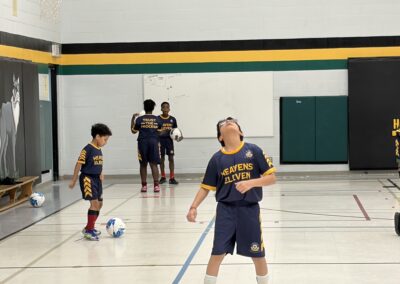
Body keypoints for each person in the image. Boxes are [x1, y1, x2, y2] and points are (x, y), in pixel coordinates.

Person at [186, 117, 276, 284]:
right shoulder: (216, 159)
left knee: (257, 254)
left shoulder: (253, 150)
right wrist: (193, 207)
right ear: (220, 137)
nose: (228, 122)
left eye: (232, 121)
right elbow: (206, 187)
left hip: (249, 210)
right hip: (225, 211)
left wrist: (251, 183)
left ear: (240, 132)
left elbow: (271, 178)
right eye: (223, 123)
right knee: (217, 253)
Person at [69, 123, 112, 241]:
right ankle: (89, 230)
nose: (106, 142)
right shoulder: (87, 149)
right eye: (105, 139)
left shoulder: (99, 149)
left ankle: (89, 227)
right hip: (88, 179)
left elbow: (98, 163)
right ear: (97, 136)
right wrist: (73, 180)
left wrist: (101, 172)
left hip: (97, 180)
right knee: (94, 204)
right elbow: (79, 164)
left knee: (100, 204)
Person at [131, 99, 162, 192]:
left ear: (144, 108)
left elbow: (133, 131)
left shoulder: (139, 119)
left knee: (143, 164)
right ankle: (156, 186)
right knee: (154, 164)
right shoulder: (157, 119)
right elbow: (160, 132)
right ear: (153, 108)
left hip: (142, 143)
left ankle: (144, 186)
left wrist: (133, 118)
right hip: (154, 143)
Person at [158, 102, 179, 184]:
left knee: (171, 158)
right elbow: (155, 131)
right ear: (161, 109)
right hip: (161, 141)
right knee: (161, 158)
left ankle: (172, 177)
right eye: (164, 107)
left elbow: (175, 131)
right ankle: (163, 177)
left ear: (169, 109)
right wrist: (162, 131)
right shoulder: (157, 119)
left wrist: (177, 136)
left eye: (167, 107)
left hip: (169, 141)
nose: (166, 109)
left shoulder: (173, 119)